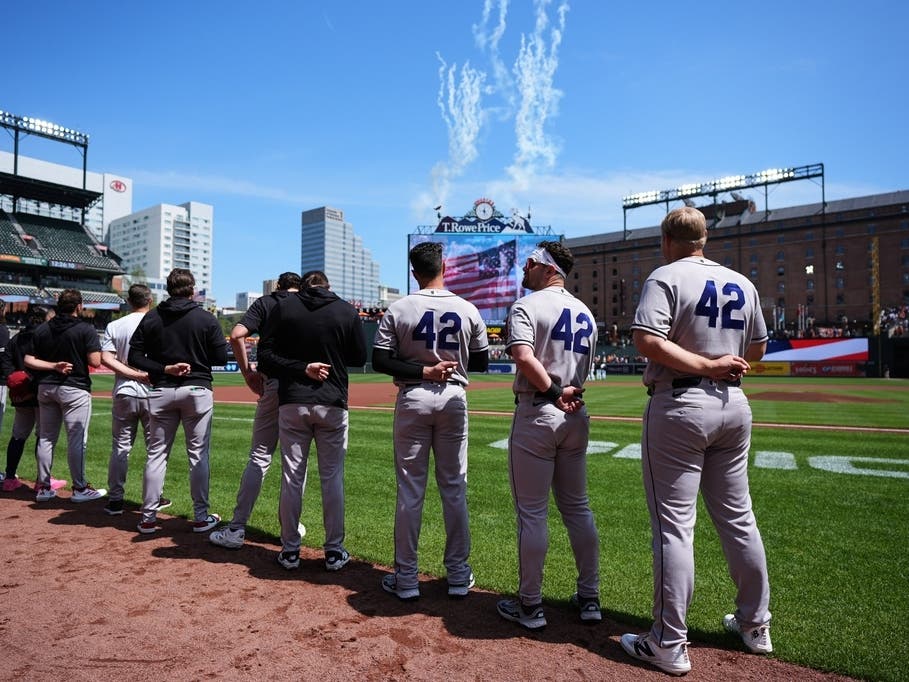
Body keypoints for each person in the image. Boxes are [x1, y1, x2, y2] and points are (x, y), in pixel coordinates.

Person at [620, 206, 771, 676]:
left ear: (667, 238)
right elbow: (759, 349)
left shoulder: (665, 275)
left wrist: (703, 365)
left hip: (681, 405)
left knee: (674, 526)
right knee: (739, 519)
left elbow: (647, 340)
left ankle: (667, 643)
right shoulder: (742, 283)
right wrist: (722, 363)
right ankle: (755, 625)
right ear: (704, 239)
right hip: (734, 406)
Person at [373, 242, 489, 601]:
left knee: (411, 491)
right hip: (453, 397)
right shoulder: (467, 308)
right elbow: (482, 363)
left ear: (413, 272)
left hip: (414, 396)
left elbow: (380, 360)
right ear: (445, 266)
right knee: (454, 488)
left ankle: (406, 579)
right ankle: (458, 575)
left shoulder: (400, 307)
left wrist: (422, 368)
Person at [496, 240, 600, 630]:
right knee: (578, 508)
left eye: (531, 262)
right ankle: (589, 598)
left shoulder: (527, 305)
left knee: (532, 514)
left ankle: (530, 605)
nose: (524, 268)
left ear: (548, 267)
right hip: (577, 413)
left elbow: (523, 356)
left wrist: (554, 393)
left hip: (542, 408)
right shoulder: (585, 312)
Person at [256, 270, 366, 571]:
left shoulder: (285, 307)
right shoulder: (346, 309)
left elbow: (264, 356)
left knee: (293, 477)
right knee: (332, 479)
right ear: (328, 286)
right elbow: (358, 357)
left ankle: (291, 550)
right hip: (332, 402)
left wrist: (301, 366)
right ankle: (334, 551)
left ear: (302, 287)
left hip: (293, 402)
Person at [128, 268, 228, 534]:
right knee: (197, 455)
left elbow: (134, 357)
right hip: (196, 390)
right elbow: (220, 358)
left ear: (169, 289)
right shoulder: (205, 318)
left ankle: (148, 517)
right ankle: (200, 516)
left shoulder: (151, 317)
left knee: (156, 455)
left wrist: (165, 368)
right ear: (192, 289)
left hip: (161, 391)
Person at [210, 272, 302, 550]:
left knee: (260, 456)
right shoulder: (309, 303)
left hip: (272, 383)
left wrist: (248, 373)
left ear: (278, 287)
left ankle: (237, 528)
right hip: (302, 389)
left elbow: (237, 335)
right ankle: (291, 529)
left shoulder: (266, 302)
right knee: (295, 463)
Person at [25, 290, 106, 502]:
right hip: (74, 388)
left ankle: (43, 487)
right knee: (76, 440)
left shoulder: (43, 328)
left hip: (46, 387)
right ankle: (79, 488)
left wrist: (52, 365)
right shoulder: (85, 329)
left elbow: (29, 360)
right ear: (79, 306)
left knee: (45, 438)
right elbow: (96, 361)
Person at [101, 284, 170, 516]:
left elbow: (106, 358)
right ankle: (153, 499)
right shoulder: (160, 322)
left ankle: (115, 499)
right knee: (156, 451)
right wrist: (142, 374)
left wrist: (131, 374)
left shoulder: (115, 325)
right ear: (149, 300)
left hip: (124, 391)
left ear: (129, 301)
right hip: (153, 391)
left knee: (120, 448)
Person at [0, 306, 67, 492]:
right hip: (39, 392)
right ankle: (42, 480)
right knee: (44, 436)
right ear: (45, 318)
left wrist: (15, 380)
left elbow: (5, 362)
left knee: (18, 435)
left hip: (21, 394)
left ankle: (10, 477)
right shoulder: (46, 336)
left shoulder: (17, 338)